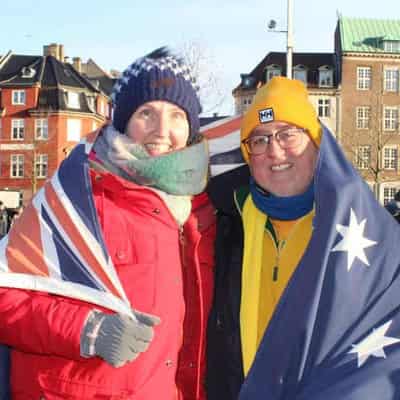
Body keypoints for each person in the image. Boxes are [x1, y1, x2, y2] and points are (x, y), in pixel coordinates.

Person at [0, 47, 215, 399]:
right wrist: (87, 330)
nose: (162, 130)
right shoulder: (76, 198)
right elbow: (6, 294)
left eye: (176, 115)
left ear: (190, 126)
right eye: (147, 112)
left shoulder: (199, 209)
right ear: (123, 120)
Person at [206, 76, 400, 400]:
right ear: (247, 154)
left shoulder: (369, 235)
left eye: (288, 134)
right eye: (259, 140)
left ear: (316, 141)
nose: (274, 150)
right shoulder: (222, 224)